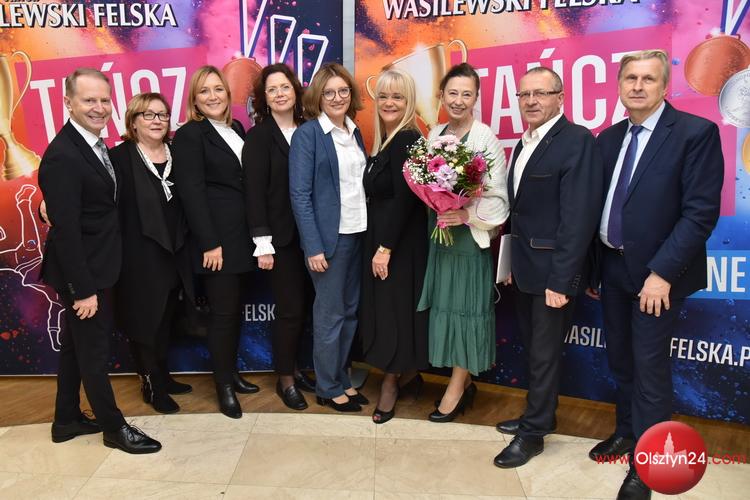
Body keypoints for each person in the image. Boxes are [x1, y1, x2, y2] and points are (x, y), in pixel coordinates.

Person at [588, 50, 723, 500]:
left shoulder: (695, 133)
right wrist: (594, 269)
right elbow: (600, 208)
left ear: (665, 86)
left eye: (648, 78)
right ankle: (627, 432)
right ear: (619, 85)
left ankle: (646, 464)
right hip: (612, 268)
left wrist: (662, 274)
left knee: (649, 369)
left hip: (657, 278)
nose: (638, 86)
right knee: (621, 361)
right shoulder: (609, 138)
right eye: (630, 78)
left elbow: (699, 214)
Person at [39, 68, 160, 453]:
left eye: (104, 100)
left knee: (77, 347)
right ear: (68, 102)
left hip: (100, 264)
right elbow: (66, 231)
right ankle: (114, 428)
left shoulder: (92, 143)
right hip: (83, 273)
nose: (99, 107)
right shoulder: (62, 155)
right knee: (93, 352)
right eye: (89, 100)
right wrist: (83, 290)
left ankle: (66, 419)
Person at [493, 67, 602, 468]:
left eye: (541, 93)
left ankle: (533, 434)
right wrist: (510, 262)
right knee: (535, 351)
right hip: (525, 270)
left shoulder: (577, 140)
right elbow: (521, 214)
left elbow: (579, 219)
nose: (531, 101)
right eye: (525, 95)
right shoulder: (524, 143)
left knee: (544, 354)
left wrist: (562, 279)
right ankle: (539, 415)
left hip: (553, 275)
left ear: (561, 97)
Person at [418, 63, 509, 423]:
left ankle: (455, 389)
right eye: (452, 93)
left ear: (476, 98)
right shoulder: (434, 134)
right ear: (441, 95)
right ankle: (463, 381)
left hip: (469, 243)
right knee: (447, 309)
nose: (458, 100)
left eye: (466, 94)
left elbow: (499, 198)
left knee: (467, 312)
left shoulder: (486, 138)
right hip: (441, 240)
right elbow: (427, 182)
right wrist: (439, 202)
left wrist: (466, 214)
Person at [173, 66, 259, 419]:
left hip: (242, 239)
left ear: (227, 93)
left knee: (233, 311)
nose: (212, 96)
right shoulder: (190, 135)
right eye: (204, 91)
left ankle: (232, 374)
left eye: (218, 89)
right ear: (194, 100)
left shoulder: (236, 128)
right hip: (216, 243)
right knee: (223, 315)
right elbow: (191, 193)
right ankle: (223, 386)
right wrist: (209, 242)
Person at [289, 62, 369, 412]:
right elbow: (299, 195)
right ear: (318, 97)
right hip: (328, 242)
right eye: (329, 92)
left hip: (358, 233)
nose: (337, 98)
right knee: (330, 315)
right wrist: (313, 246)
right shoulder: (308, 135)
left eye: (343, 91)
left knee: (349, 313)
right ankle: (327, 386)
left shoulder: (354, 131)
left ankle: (341, 379)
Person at [110, 93, 194, 414]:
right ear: (133, 121)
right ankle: (151, 384)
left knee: (166, 320)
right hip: (138, 257)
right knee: (144, 322)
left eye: (162, 114)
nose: (157, 120)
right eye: (148, 114)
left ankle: (163, 376)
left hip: (175, 253)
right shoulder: (119, 158)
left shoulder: (177, 153)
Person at [243, 63, 315, 410]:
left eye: (284, 86)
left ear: (295, 90)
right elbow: (254, 194)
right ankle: (285, 378)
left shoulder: (310, 129)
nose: (280, 94)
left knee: (308, 309)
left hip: (313, 237)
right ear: (264, 98)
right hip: (280, 240)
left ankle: (296, 368)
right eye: (272, 89)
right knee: (290, 310)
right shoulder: (258, 137)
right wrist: (263, 243)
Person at [360, 69, 428, 424]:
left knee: (395, 313)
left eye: (397, 97)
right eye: (384, 96)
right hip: (383, 239)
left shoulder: (407, 139)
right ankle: (409, 374)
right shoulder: (386, 140)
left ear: (409, 102)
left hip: (397, 244)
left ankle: (391, 384)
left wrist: (385, 248)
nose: (389, 102)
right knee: (389, 311)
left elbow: (404, 200)